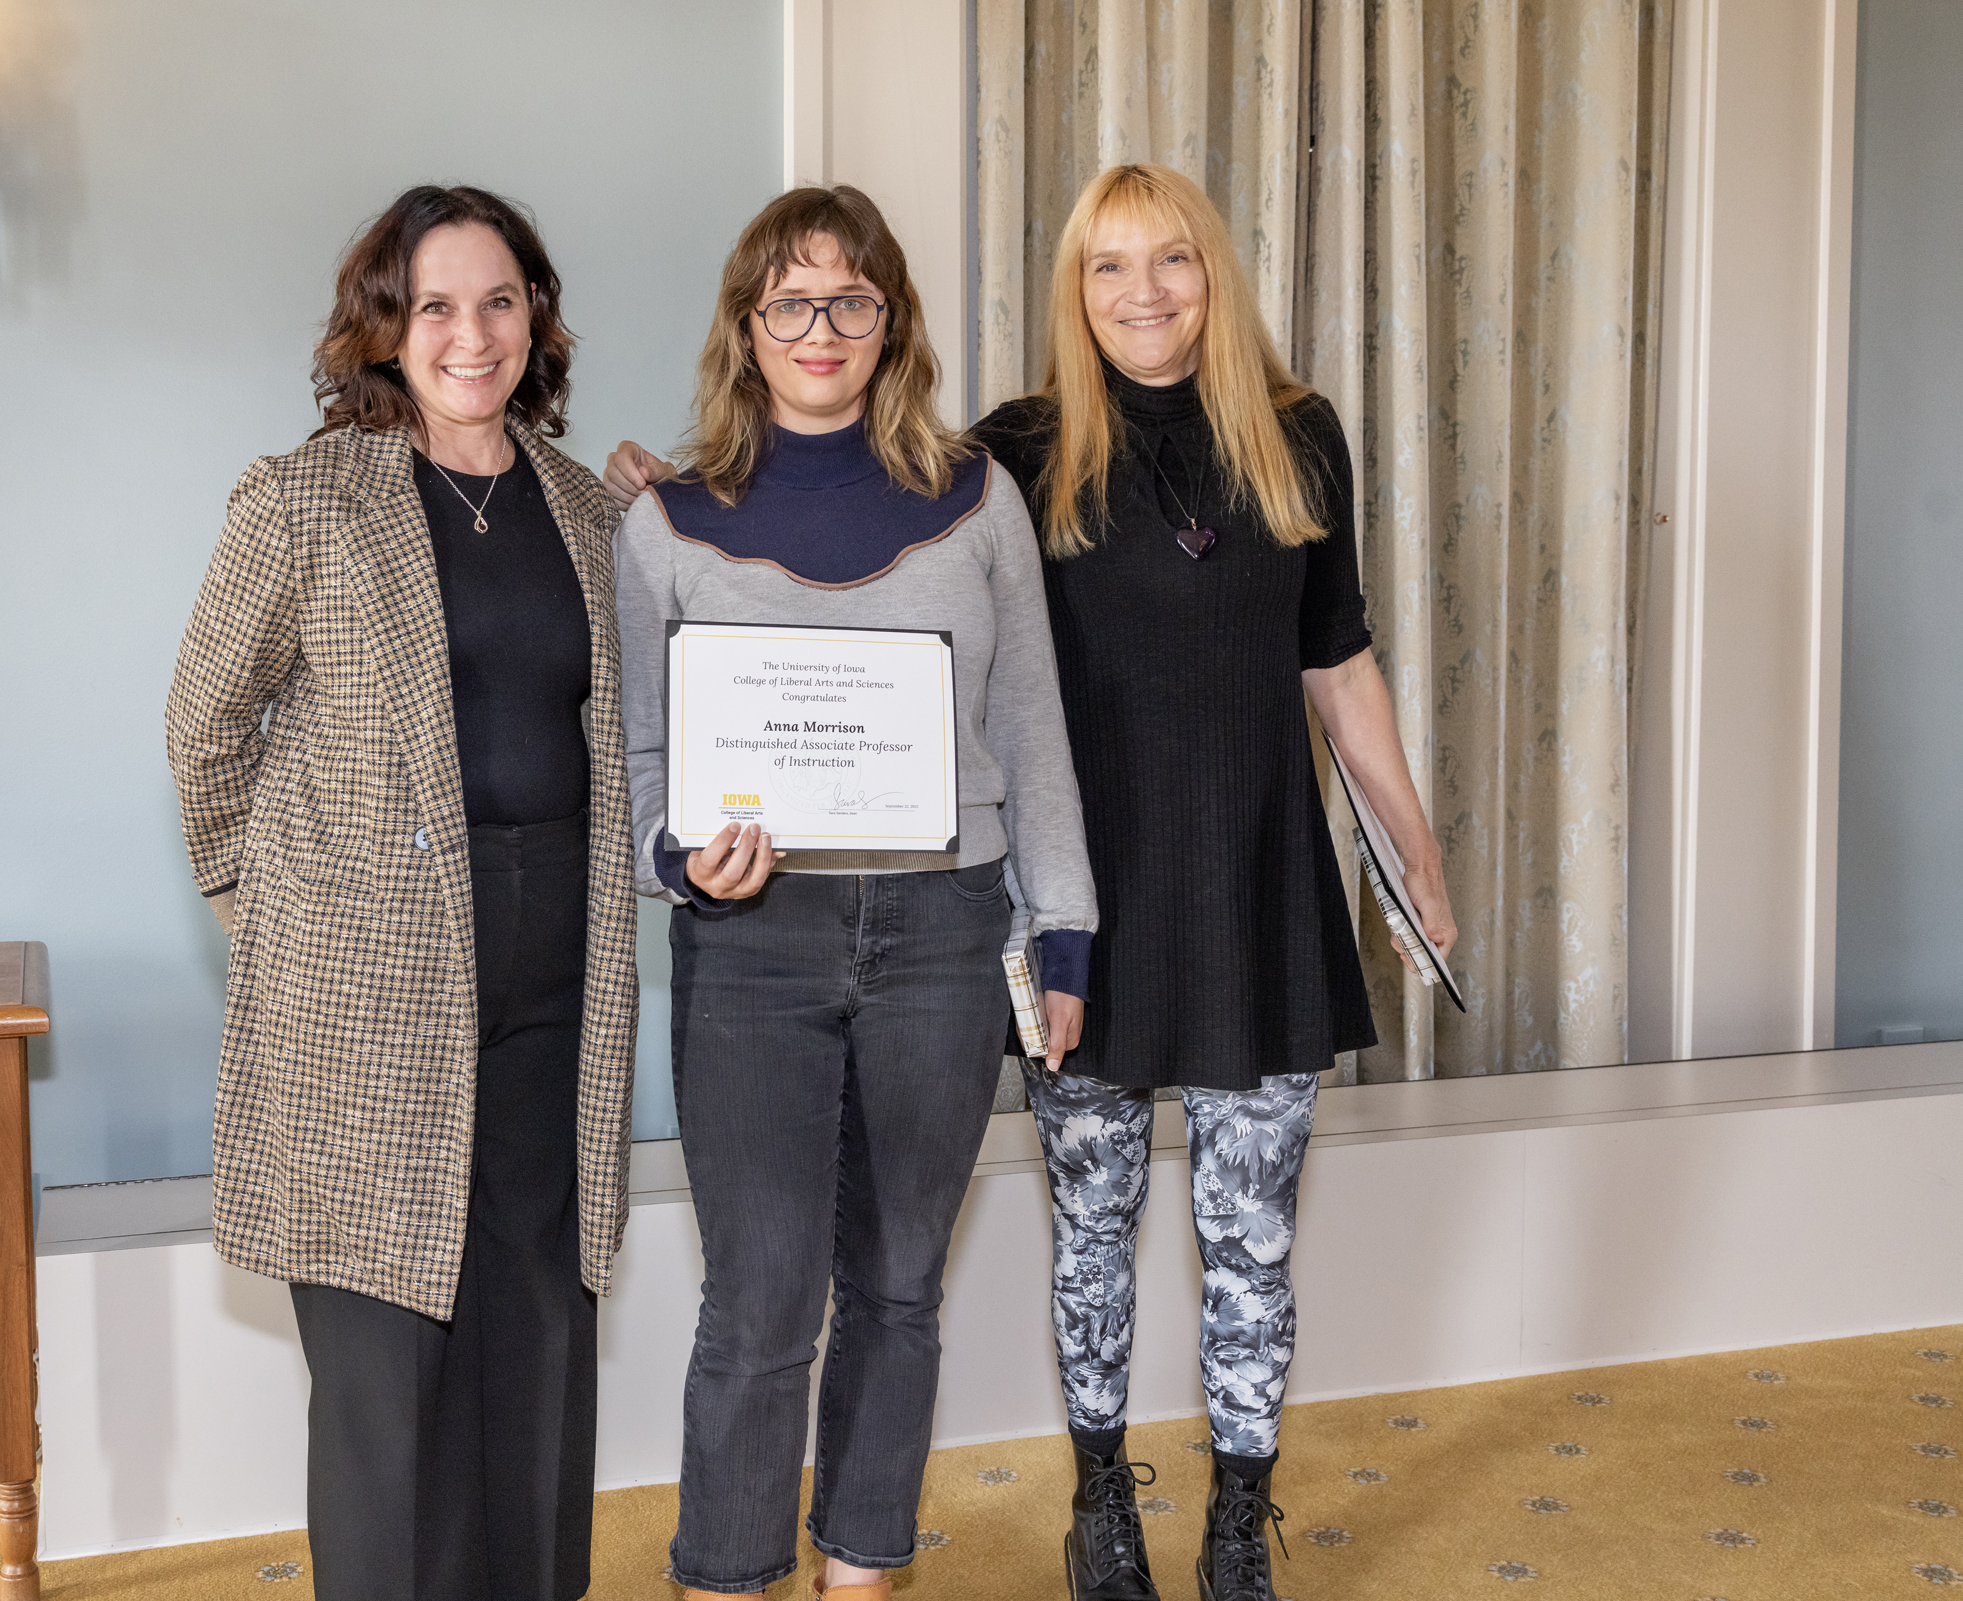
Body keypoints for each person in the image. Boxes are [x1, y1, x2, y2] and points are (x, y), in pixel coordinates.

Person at [606, 162, 1458, 1601]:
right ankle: (1059, 1515)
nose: (1145, 292)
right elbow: (681, 707)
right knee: (958, 1261)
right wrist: (652, 500)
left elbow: (1305, 656)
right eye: (1109, 266)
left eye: (1172, 259)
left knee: (1135, 1258)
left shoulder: (1240, 446)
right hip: (918, 921)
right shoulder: (991, 457)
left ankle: (1206, 1520)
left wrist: (1414, 850)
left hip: (1156, 901)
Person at [612, 185, 1097, 1601]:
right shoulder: (666, 523)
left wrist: (1061, 933)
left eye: (851, 299)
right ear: (746, 328)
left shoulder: (979, 499)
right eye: (790, 303)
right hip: (753, 944)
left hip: (948, 937)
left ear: (892, 323)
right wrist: (672, 857)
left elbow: (1032, 730)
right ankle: (725, 1575)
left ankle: (864, 1570)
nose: (821, 328)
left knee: (897, 1289)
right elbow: (638, 755)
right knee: (758, 1301)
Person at [165, 184, 639, 1601]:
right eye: (436, 304)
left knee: (539, 1342)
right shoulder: (306, 499)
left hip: (555, 987)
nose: (471, 332)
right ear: (386, 326)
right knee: (389, 1380)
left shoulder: (588, 511)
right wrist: (286, 920)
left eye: (500, 300)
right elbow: (203, 729)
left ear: (536, 319)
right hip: (365, 1010)